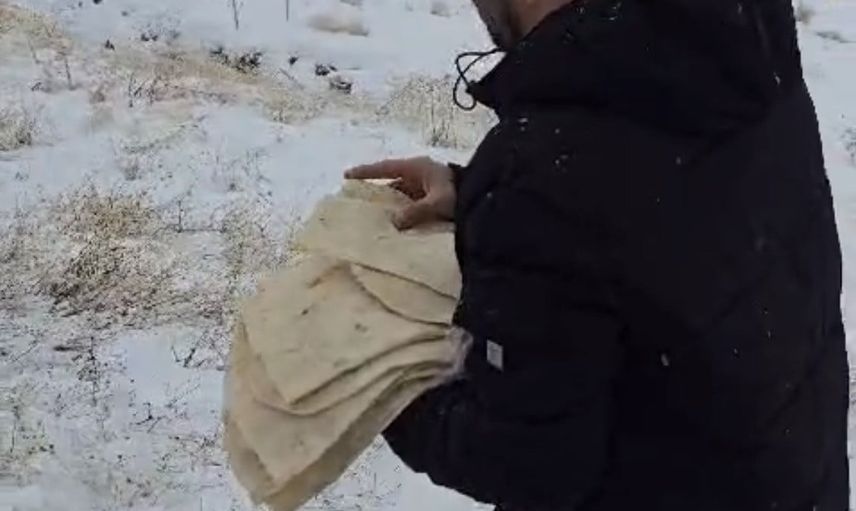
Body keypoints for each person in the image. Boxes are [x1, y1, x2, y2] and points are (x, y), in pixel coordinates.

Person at [346, 0, 849, 509]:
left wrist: (375, 382)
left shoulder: (549, 175)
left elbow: (522, 461)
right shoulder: (736, 41)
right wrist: (479, 196)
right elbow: (677, 215)